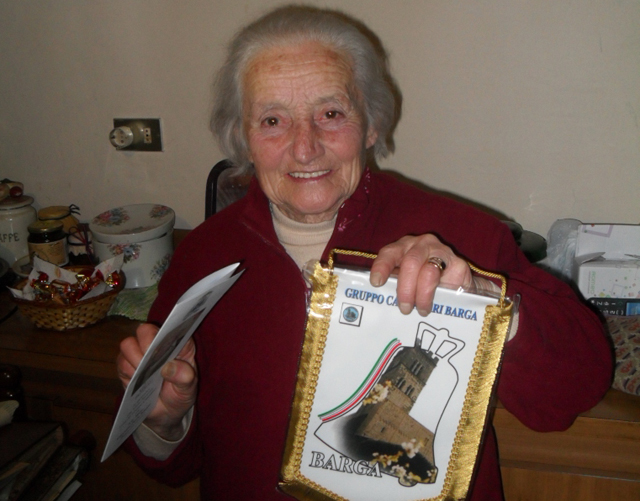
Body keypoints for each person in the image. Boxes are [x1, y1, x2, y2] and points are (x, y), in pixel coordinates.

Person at [116, 6, 612, 500]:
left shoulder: (458, 238)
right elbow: (176, 466)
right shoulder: (203, 259)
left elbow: (576, 388)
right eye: (272, 120)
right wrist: (164, 421)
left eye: (331, 114)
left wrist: (482, 297)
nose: (305, 148)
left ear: (371, 124)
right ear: (244, 137)